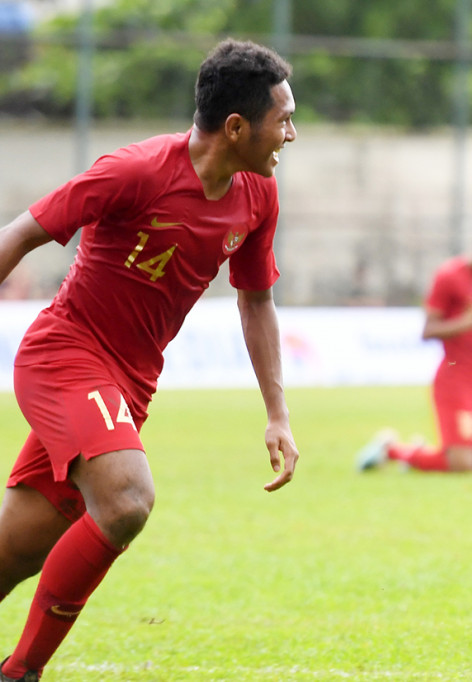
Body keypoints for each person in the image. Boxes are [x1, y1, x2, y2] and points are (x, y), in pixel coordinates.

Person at [0, 39, 300, 681]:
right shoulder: (134, 171)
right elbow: (19, 235)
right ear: (238, 127)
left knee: (11, 557)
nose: (291, 135)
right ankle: (20, 672)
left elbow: (256, 301)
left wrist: (277, 414)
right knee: (128, 499)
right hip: (65, 355)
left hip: (130, 386)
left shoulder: (258, 196)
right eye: (284, 120)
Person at [356, 222, 472, 473]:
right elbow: (428, 331)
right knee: (463, 465)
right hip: (454, 382)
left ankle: (421, 452)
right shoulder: (449, 275)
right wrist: (469, 321)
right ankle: (391, 449)